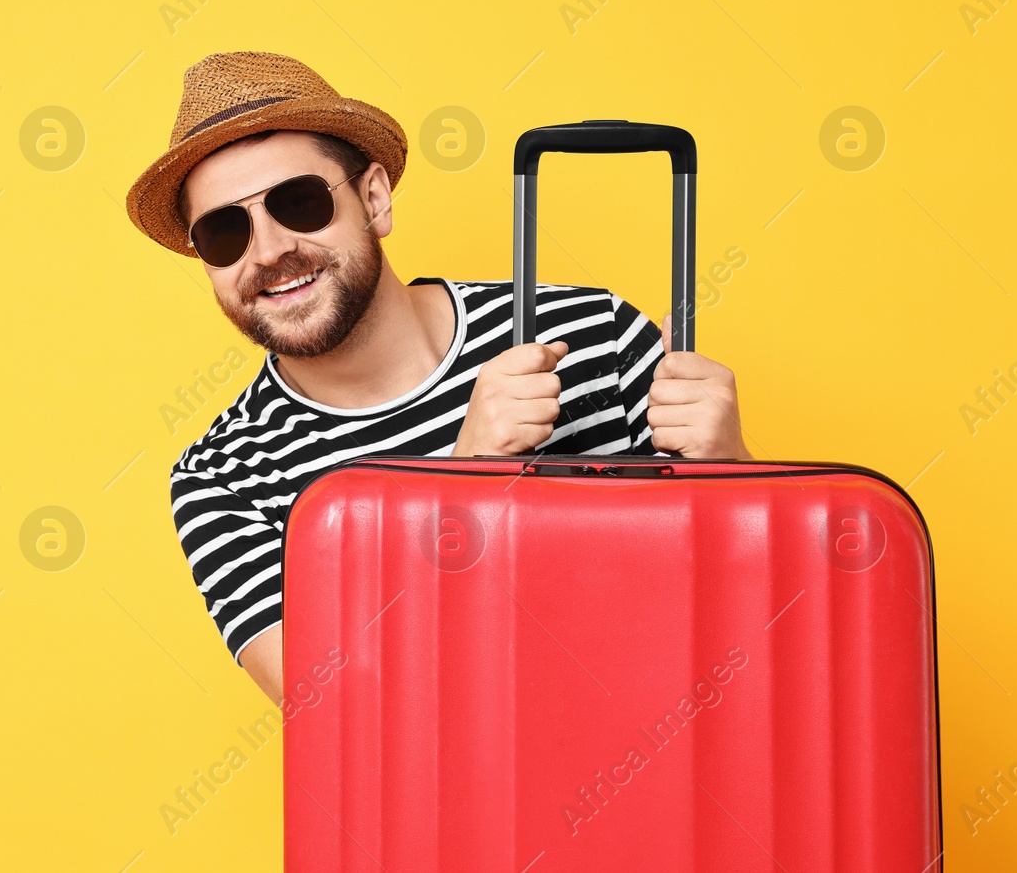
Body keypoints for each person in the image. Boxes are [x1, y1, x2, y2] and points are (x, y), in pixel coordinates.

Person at [125, 51, 749, 704]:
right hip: (456, 807)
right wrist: (466, 478)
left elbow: (761, 617)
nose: (270, 250)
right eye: (225, 231)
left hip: (679, 781)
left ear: (373, 199)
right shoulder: (226, 476)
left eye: (301, 203)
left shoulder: (594, 329)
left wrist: (738, 471)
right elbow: (337, 718)